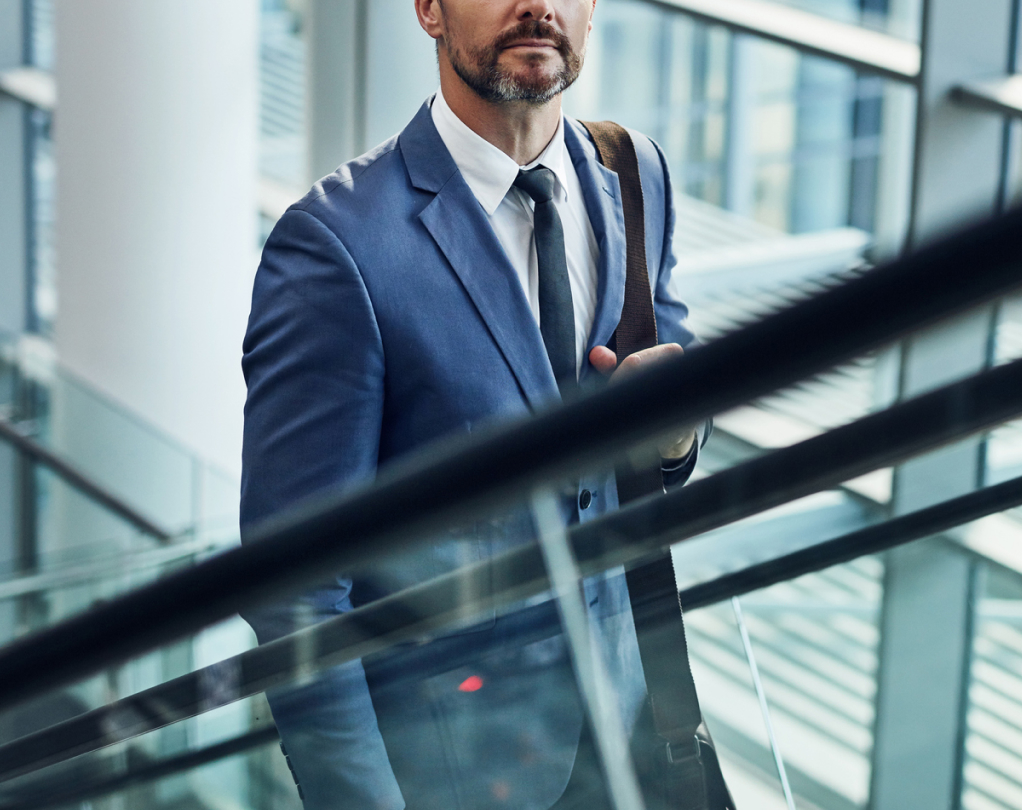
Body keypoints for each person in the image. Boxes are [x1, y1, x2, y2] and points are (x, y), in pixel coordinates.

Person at [237, 0, 703, 808]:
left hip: (628, 734)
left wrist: (672, 441)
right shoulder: (335, 246)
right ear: (428, 10)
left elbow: (664, 425)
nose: (538, 6)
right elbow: (297, 593)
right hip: (451, 773)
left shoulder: (635, 174)